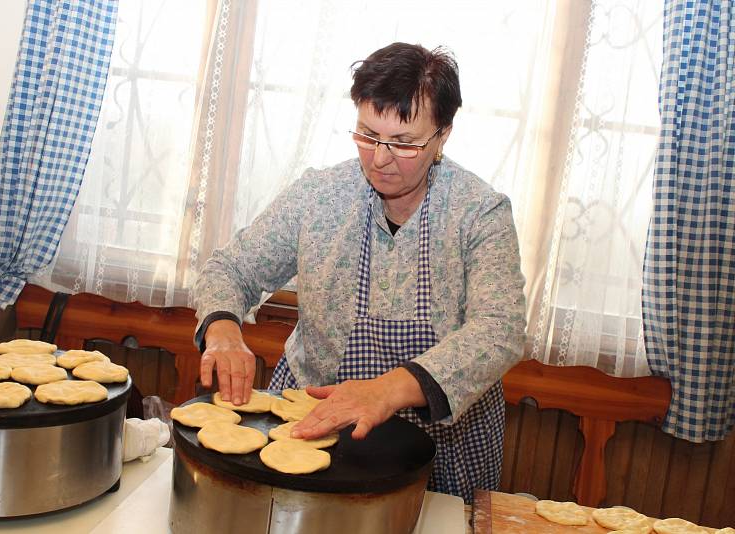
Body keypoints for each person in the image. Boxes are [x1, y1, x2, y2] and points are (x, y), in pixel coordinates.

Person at [192, 42, 526, 502]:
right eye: (368, 135)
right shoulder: (319, 196)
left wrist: (386, 391)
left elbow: (500, 329)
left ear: (443, 135)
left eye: (404, 143)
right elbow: (231, 268)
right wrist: (224, 329)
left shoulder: (479, 213)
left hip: (443, 446)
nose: (381, 158)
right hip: (311, 426)